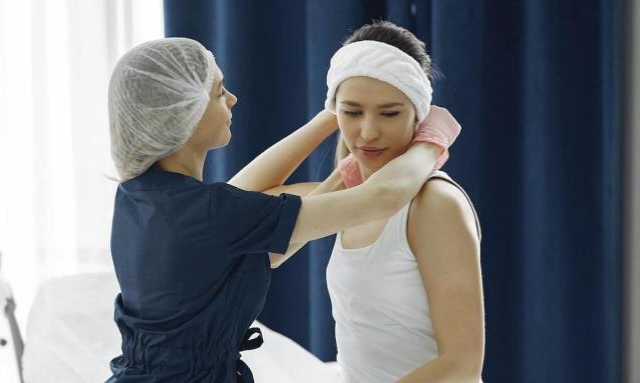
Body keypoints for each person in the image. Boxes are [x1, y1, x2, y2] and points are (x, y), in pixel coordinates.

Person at [106, 36, 460, 382]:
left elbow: (249, 210)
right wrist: (434, 138)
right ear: (186, 112)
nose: (232, 99)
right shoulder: (213, 212)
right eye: (219, 93)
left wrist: (335, 116)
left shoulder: (141, 196)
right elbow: (385, 196)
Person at [272, 21, 484, 382]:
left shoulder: (434, 204)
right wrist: (331, 117)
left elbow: (461, 365)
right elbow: (252, 230)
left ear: (419, 114)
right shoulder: (349, 199)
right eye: (353, 112)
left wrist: (351, 107)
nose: (368, 132)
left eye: (389, 113)